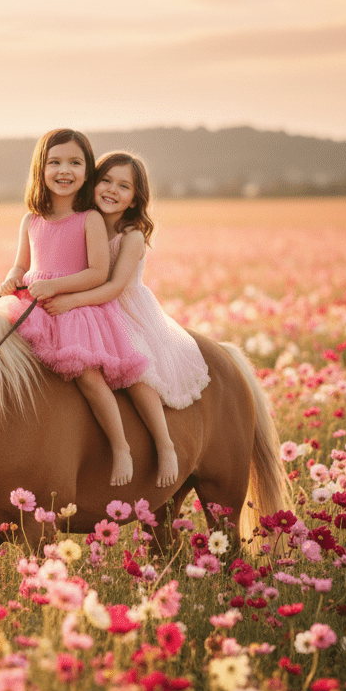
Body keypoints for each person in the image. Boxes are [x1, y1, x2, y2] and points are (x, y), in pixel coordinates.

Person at [41, 151, 210, 488]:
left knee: (136, 373)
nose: (112, 190)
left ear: (136, 198)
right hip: (90, 307)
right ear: (93, 182)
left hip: (124, 310)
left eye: (124, 186)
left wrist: (70, 301)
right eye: (106, 180)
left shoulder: (131, 236)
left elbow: (115, 288)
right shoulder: (85, 221)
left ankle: (165, 446)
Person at [0, 129, 148, 487]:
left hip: (74, 311)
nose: (64, 171)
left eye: (75, 163)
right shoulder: (31, 219)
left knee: (88, 377)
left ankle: (120, 447)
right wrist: (12, 277)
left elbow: (98, 272)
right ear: (41, 169)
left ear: (86, 171)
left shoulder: (89, 219)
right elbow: (22, 264)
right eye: (55, 163)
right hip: (32, 306)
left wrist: (55, 286)